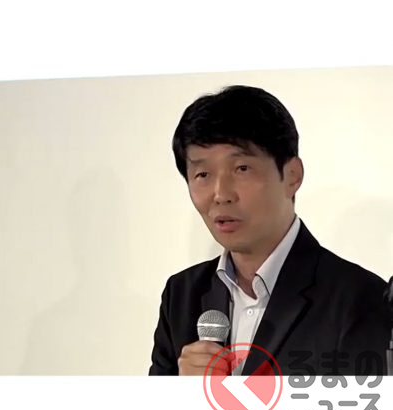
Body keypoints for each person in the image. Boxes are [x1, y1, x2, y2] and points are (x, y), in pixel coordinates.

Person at [149, 85, 389, 376]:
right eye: (202, 174)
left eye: (242, 169)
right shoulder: (181, 295)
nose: (221, 194)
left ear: (292, 176)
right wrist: (181, 394)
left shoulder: (358, 298)